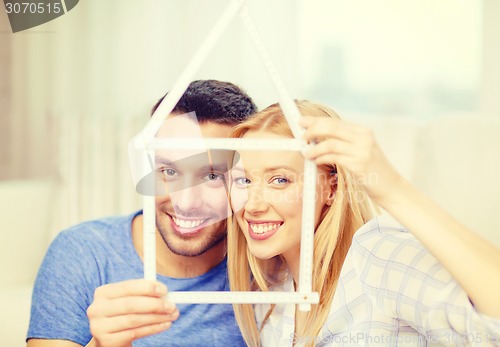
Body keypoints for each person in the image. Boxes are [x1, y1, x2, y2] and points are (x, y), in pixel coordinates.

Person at [227, 100, 500, 346]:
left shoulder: (377, 257)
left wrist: (393, 189)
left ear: (331, 189)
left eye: (280, 180)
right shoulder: (269, 296)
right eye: (244, 180)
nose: (252, 205)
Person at [26, 80, 258, 347]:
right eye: (169, 172)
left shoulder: (268, 264)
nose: (186, 201)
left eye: (212, 176)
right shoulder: (82, 252)